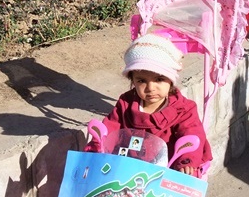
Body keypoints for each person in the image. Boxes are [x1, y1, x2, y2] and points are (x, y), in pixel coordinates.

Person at [85, 33, 212, 176]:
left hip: (169, 168)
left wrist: (186, 161)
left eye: (159, 79)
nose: (150, 88)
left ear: (171, 80)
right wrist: (97, 146)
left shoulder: (183, 109)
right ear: (133, 81)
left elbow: (192, 134)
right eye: (141, 81)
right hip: (131, 166)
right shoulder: (126, 103)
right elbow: (111, 127)